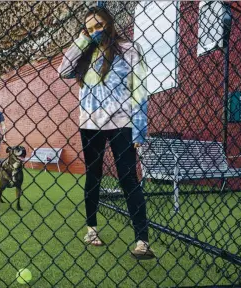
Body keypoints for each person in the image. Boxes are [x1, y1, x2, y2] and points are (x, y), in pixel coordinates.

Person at [58, 7, 155, 259]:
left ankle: (142, 241)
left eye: (98, 26)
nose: (95, 32)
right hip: (90, 124)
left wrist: (139, 131)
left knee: (128, 179)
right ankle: (91, 229)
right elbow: (63, 71)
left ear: (110, 24)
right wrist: (82, 40)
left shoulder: (129, 49)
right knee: (94, 176)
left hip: (122, 122)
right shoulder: (86, 52)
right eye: (89, 29)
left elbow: (140, 89)